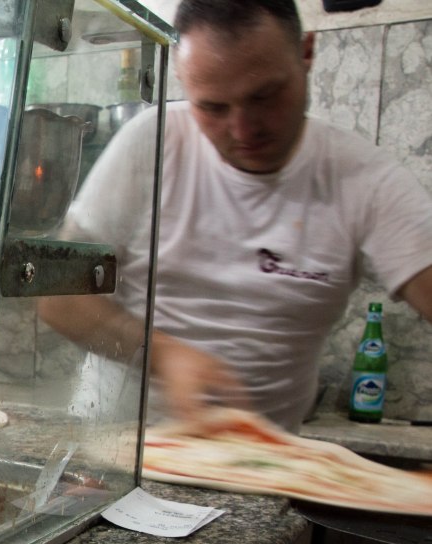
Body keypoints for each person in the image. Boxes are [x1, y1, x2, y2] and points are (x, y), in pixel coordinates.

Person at [39, 0, 432, 433]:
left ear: (306, 53)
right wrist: (165, 354)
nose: (244, 130)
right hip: (114, 453)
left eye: (264, 96)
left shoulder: (364, 179)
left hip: (259, 468)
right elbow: (59, 299)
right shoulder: (151, 142)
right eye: (212, 108)